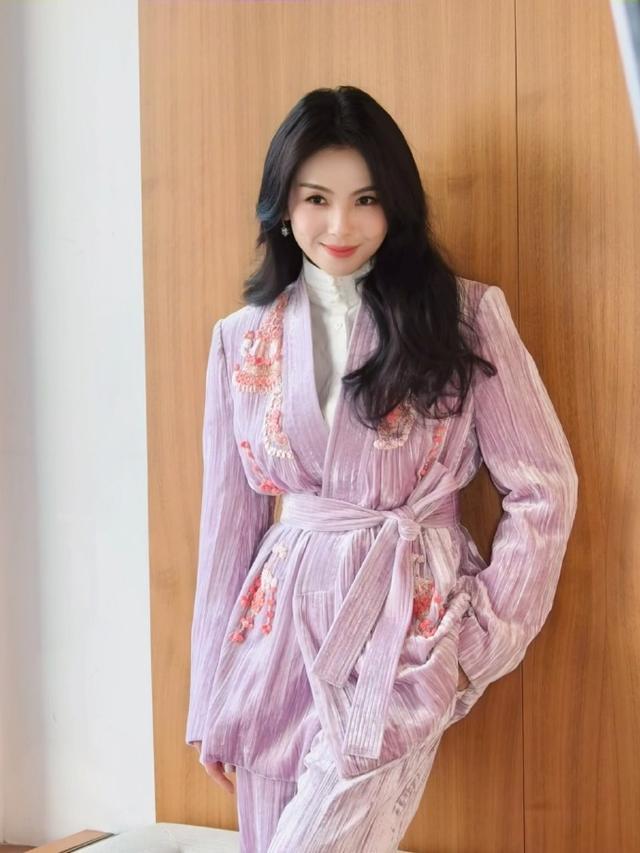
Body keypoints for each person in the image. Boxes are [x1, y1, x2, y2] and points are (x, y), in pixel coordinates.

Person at [185, 85, 579, 852]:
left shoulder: (464, 316)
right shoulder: (242, 338)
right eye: (317, 198)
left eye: (365, 199)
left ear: (395, 203)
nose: (341, 225)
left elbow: (544, 487)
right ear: (283, 204)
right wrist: (211, 700)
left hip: (401, 629)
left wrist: (476, 646)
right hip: (271, 640)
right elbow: (226, 529)